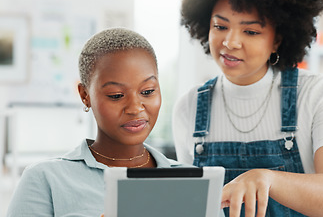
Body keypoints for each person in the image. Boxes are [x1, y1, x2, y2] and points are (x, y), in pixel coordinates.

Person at [172, 0, 323, 216]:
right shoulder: (189, 106)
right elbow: (193, 207)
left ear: (277, 39)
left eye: (250, 31)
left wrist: (266, 179)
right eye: (220, 26)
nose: (230, 42)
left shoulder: (318, 94)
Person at [7, 28, 189, 216]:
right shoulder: (45, 179)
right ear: (85, 95)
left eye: (148, 91)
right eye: (116, 95)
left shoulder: (193, 182)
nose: (135, 108)